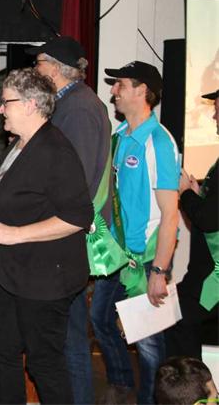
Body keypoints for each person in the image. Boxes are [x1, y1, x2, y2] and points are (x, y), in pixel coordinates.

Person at [0, 67, 93, 404]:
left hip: (44, 280)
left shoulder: (55, 150)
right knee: (1, 351)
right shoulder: (20, 145)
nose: (0, 109)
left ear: (30, 105)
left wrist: (15, 234)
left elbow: (78, 216)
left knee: (44, 364)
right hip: (11, 276)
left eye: (6, 102)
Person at [27, 36, 112, 405]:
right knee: (66, 336)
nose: (34, 69)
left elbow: (72, 179)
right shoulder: (73, 103)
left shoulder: (77, 108)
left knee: (70, 339)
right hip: (67, 234)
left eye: (39, 62)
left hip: (68, 238)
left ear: (55, 69)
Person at [92, 61, 180, 405]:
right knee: (100, 319)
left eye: (121, 85)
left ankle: (151, 400)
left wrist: (159, 270)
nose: (114, 91)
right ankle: (121, 382)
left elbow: (170, 215)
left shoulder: (158, 142)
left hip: (145, 261)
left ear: (142, 91)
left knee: (149, 343)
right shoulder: (120, 136)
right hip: (116, 254)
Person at [167, 88, 219, 360]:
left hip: (213, 277)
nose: (214, 116)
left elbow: (209, 220)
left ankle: (191, 386)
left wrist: (186, 193)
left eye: (218, 110)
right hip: (206, 273)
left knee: (179, 323)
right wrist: (198, 196)